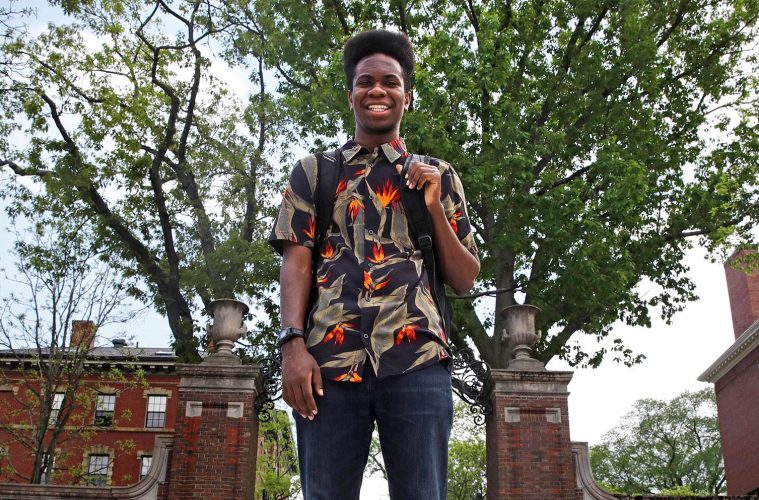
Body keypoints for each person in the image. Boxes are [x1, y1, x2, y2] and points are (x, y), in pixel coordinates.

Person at [268, 29, 480, 500]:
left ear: (408, 96)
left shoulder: (439, 175)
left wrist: (433, 206)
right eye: (365, 82)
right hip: (328, 365)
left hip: (417, 360)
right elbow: (295, 263)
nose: (377, 90)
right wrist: (292, 346)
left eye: (390, 82)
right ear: (351, 95)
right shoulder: (314, 172)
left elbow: (465, 278)